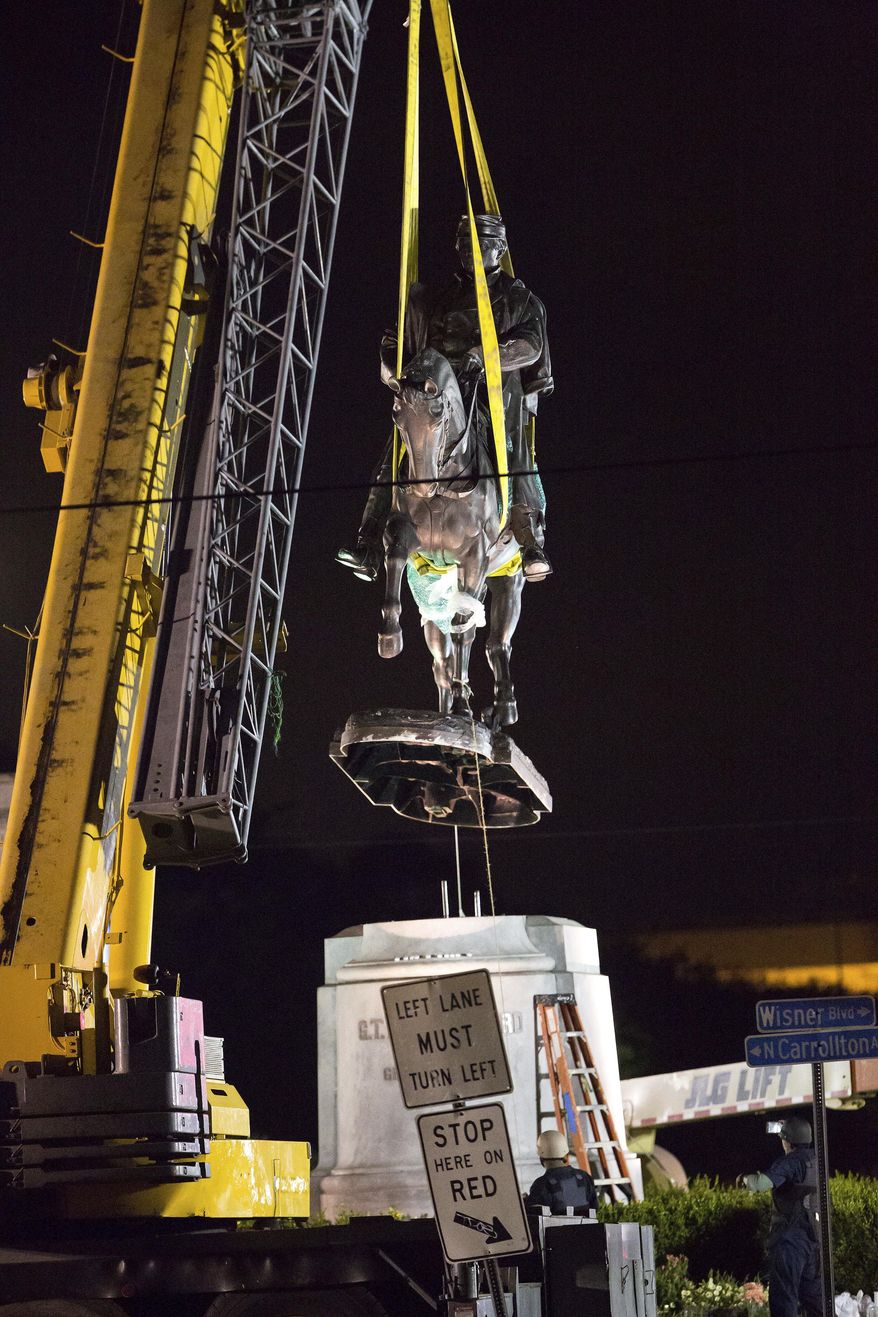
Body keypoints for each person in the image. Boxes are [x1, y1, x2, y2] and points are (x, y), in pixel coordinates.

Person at [336, 213, 554, 583]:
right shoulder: (433, 298)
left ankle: (528, 534)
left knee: (513, 450)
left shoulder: (518, 299)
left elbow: (530, 345)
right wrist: (397, 376)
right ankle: (370, 539)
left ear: (499, 250)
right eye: (465, 246)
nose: (471, 253)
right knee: (398, 447)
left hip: (490, 393)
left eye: (481, 245)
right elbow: (394, 341)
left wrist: (482, 357)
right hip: (432, 391)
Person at [738, 1116, 822, 1317]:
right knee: (816, 1301)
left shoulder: (790, 1161)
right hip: (813, 1241)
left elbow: (761, 1183)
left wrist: (743, 1179)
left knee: (784, 1300)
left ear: (788, 1140)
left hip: (789, 1242)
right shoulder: (817, 1161)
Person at [525, 1129, 597, 1214]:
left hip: (558, 1227)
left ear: (541, 1157)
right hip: (588, 1227)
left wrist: (525, 1202)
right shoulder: (584, 1177)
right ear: (565, 1154)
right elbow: (595, 1208)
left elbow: (534, 1215)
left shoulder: (541, 1184)